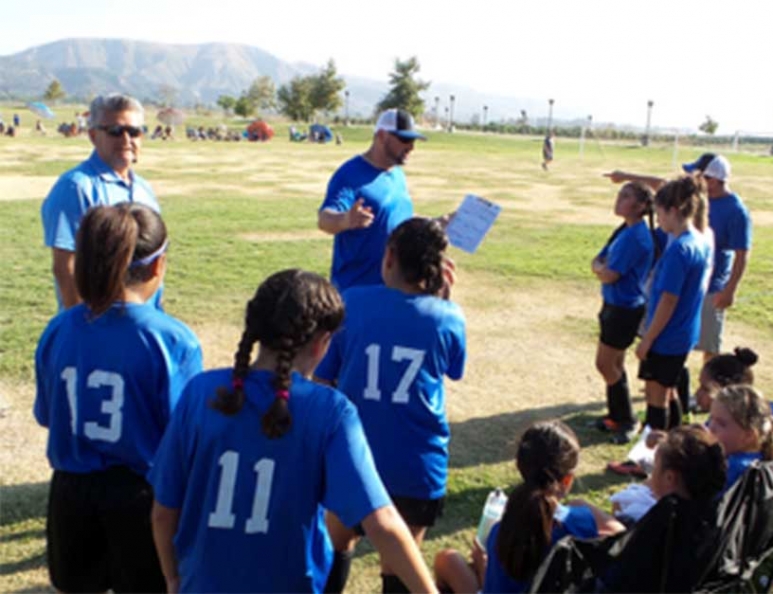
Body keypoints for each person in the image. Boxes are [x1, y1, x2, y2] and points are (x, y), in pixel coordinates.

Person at [149, 269, 437, 593]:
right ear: (322, 343)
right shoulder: (330, 412)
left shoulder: (200, 393)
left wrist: (173, 577)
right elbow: (382, 522)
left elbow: (163, 511)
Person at [33, 203, 203, 594]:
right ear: (158, 267)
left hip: (70, 494)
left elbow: (47, 415)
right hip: (141, 497)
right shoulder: (171, 340)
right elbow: (183, 441)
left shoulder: (59, 329)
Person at [315, 217, 465, 593]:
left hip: (353, 453)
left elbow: (325, 375)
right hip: (417, 462)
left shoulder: (352, 301)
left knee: (336, 543)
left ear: (389, 257)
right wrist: (442, 300)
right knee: (400, 559)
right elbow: (454, 367)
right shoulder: (448, 316)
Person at [433, 420, 624, 593]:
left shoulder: (501, 531)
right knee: (449, 560)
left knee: (448, 560)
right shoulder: (580, 523)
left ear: (520, 466)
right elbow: (622, 538)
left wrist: (484, 567)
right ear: (567, 480)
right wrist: (584, 506)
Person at [41, 93, 158, 311]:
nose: (126, 140)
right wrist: (84, 327)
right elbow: (65, 266)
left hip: (143, 321)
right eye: (115, 131)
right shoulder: (76, 188)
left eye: (134, 131)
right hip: (98, 325)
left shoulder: (143, 189)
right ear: (93, 135)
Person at [603, 424, 727, 593]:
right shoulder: (714, 514)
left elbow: (619, 575)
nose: (650, 474)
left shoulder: (662, 521)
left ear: (670, 478)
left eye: (654, 467)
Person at [635, 176, 712, 431]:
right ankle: (678, 444)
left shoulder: (680, 249)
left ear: (674, 210)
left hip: (666, 335)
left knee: (656, 397)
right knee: (670, 391)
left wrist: (648, 339)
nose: (657, 218)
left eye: (660, 212)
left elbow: (668, 300)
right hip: (684, 332)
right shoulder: (699, 240)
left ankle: (653, 458)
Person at [318, 108, 424, 292]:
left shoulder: (397, 173)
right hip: (356, 294)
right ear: (382, 135)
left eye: (413, 140)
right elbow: (324, 219)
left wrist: (437, 223)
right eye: (405, 139)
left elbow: (399, 218)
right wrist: (345, 220)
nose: (411, 147)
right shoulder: (350, 174)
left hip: (393, 291)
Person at [591, 182, 656, 443]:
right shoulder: (625, 230)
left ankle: (626, 419)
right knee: (613, 364)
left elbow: (608, 273)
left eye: (626, 196)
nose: (619, 199)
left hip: (623, 309)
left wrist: (599, 269)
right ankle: (616, 415)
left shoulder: (636, 237)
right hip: (616, 306)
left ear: (641, 206)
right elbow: (600, 260)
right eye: (620, 194)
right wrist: (599, 267)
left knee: (606, 364)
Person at [689, 155, 752, 365]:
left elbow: (742, 254)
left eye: (699, 176)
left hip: (713, 286)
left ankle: (708, 388)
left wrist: (729, 290)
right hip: (689, 280)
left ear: (713, 180)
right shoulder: (698, 198)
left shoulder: (736, 211)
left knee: (709, 344)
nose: (693, 179)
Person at [708, 384, 773, 492]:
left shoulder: (732, 469)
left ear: (749, 436)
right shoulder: (762, 459)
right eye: (711, 418)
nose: (711, 427)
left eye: (721, 423)